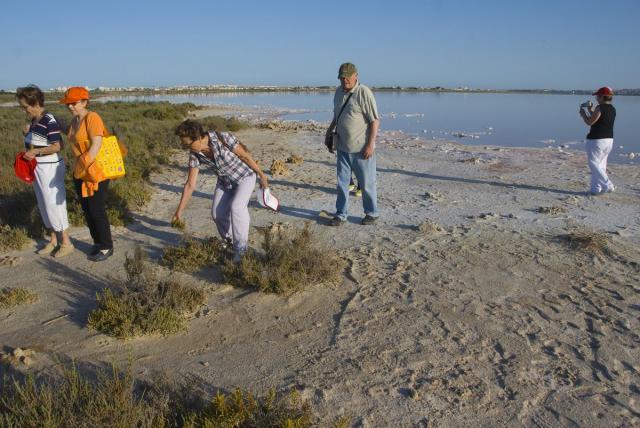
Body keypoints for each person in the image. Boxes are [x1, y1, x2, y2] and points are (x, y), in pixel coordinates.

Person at [172, 120, 268, 262]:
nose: (187, 148)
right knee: (217, 214)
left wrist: (262, 175)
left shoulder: (223, 138)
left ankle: (241, 250)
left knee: (237, 207)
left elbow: (245, 156)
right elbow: (190, 185)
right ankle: (230, 241)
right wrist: (179, 211)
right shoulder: (195, 154)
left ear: (198, 137)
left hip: (245, 177)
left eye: (188, 144)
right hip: (225, 183)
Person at [16, 85, 74, 257]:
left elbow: (58, 145)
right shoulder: (34, 122)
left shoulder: (48, 119)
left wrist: (36, 151)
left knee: (54, 204)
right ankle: (53, 240)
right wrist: (26, 134)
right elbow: (38, 142)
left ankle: (66, 242)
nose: (23, 110)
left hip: (50, 166)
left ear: (35, 103)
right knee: (43, 204)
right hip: (37, 167)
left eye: (25, 106)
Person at [60, 87, 113, 261]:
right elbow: (68, 133)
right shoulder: (75, 120)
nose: (70, 106)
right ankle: (97, 243)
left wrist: (86, 165)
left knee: (97, 209)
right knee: (87, 209)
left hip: (95, 170)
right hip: (80, 171)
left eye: (74, 103)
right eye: (68, 103)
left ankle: (106, 246)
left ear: (84, 102)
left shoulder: (93, 117)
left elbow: (96, 145)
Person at [325, 62, 380, 226]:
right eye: (342, 78)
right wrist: (329, 132)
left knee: (367, 184)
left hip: (362, 149)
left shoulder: (364, 93)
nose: (345, 81)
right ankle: (341, 214)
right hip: (342, 148)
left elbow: (375, 121)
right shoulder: (338, 92)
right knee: (342, 184)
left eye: (348, 77)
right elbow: (336, 116)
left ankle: (372, 213)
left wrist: (370, 144)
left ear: (356, 75)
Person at [579, 86, 616, 195]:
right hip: (609, 140)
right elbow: (598, 120)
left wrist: (583, 114)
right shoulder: (612, 109)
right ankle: (596, 188)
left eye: (597, 96)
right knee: (601, 164)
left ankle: (608, 184)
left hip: (597, 140)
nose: (596, 98)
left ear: (602, 97)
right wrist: (591, 110)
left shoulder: (600, 108)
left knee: (593, 163)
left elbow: (590, 122)